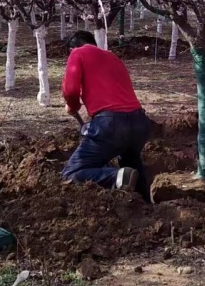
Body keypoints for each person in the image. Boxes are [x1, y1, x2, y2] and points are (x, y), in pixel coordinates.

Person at [61, 30, 151, 198]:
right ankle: (146, 206)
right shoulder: (112, 57)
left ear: (72, 48)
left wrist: (72, 106)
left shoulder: (78, 52)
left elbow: (70, 90)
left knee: (72, 172)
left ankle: (115, 176)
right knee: (131, 164)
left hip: (111, 124)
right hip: (139, 122)